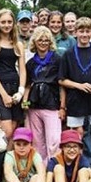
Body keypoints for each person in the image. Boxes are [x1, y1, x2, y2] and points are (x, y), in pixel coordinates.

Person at [58, 18, 91, 176]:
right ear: (75, 32)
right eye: (81, 31)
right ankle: (78, 168)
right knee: (77, 135)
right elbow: (62, 80)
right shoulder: (68, 54)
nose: (84, 34)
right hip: (76, 100)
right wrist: (79, 85)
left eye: (87, 31)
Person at [24, 26, 63, 167]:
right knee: (37, 141)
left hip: (52, 104)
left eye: (46, 40)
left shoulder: (57, 60)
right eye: (40, 40)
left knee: (54, 140)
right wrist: (25, 103)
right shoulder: (30, 63)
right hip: (34, 105)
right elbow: (27, 84)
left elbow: (62, 84)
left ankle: (54, 168)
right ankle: (41, 169)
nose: (43, 43)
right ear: (34, 42)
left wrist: (63, 107)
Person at [0, 9, 26, 141]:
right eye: (3, 22)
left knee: (14, 128)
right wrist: (3, 95)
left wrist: (20, 92)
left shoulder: (18, 44)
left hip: (15, 88)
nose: (6, 25)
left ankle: (7, 159)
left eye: (9, 22)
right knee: (6, 130)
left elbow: (23, 70)